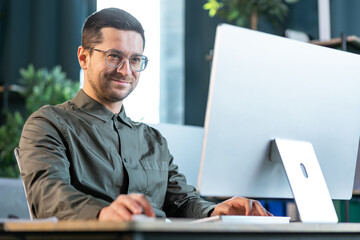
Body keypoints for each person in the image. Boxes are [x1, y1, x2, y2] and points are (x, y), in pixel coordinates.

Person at [18, 8, 272, 221]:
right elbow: (47, 194)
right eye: (114, 56)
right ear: (84, 57)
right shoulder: (48, 124)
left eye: (135, 59)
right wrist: (103, 213)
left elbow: (181, 201)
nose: (125, 70)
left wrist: (216, 210)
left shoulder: (153, 140)